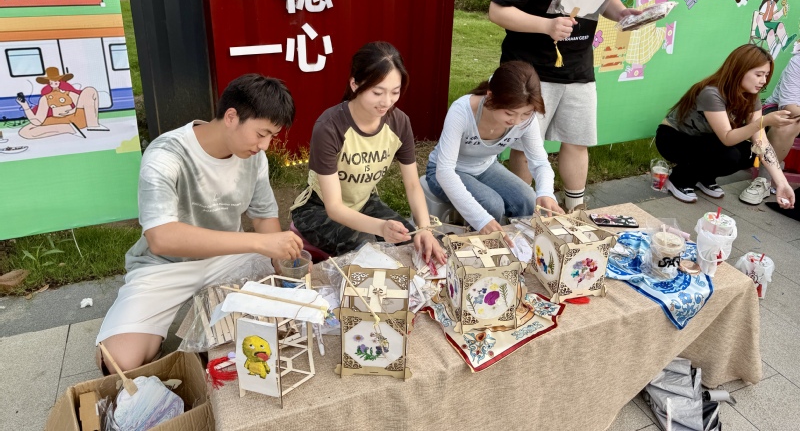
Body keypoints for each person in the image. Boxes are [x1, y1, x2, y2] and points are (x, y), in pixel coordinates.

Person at [96, 74, 302, 372]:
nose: (265, 145)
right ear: (231, 117)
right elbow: (161, 238)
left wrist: (281, 260)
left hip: (229, 260)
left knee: (274, 328)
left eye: (272, 136)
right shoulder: (167, 154)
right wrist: (261, 243)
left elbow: (263, 217)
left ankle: (211, 322)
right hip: (165, 266)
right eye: (261, 134)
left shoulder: (254, 158)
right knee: (118, 362)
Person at [488, 0, 641, 211]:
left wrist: (622, 14)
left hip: (578, 67)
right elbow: (498, 11)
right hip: (531, 71)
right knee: (527, 147)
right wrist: (546, 26)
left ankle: (575, 210)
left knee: (577, 141)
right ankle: (522, 212)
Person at [291, 42, 445, 264]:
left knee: (414, 242)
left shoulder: (399, 122)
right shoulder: (329, 127)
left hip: (363, 202)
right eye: (377, 92)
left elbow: (412, 184)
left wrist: (424, 228)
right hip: (318, 209)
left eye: (395, 92)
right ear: (355, 84)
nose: (386, 102)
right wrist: (381, 227)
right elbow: (334, 208)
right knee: (368, 249)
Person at [425, 61, 563, 234]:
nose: (517, 121)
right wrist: (481, 219)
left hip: (486, 166)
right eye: (509, 113)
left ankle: (520, 244)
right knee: (491, 205)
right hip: (443, 171)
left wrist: (546, 192)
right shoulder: (462, 111)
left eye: (526, 114)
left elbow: (540, 162)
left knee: (528, 199)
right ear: (490, 96)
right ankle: (479, 244)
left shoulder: (527, 120)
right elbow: (445, 171)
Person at [655, 44, 795, 208]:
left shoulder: (751, 97)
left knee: (750, 154)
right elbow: (727, 138)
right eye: (758, 75)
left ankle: (703, 177)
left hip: (708, 139)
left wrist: (782, 183)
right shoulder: (711, 93)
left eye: (766, 75)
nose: (763, 81)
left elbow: (761, 142)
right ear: (739, 70)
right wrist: (763, 122)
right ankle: (679, 179)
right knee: (729, 155)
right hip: (674, 139)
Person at [740, 43, 800, 204]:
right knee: (787, 122)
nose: (763, 80)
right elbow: (790, 108)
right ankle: (763, 181)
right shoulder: (798, 62)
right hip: (784, 112)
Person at [16, 67, 107, 139]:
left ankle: (93, 125)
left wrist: (70, 110)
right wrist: (25, 106)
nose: (54, 83)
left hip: (76, 118)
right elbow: (38, 121)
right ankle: (68, 129)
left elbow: (79, 104)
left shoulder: (68, 93)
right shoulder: (44, 98)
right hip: (58, 122)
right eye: (52, 81)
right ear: (49, 83)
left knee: (89, 90)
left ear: (60, 81)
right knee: (24, 132)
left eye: (56, 80)